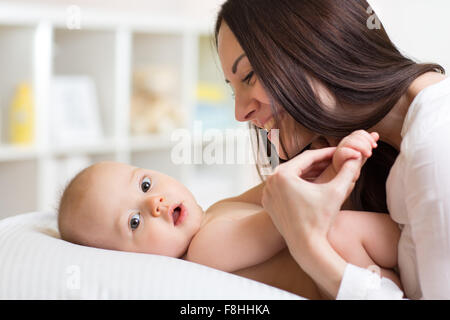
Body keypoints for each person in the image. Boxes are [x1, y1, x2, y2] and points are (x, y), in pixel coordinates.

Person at [215, 0, 450, 299]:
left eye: (249, 76)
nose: (240, 112)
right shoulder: (371, 153)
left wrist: (309, 246)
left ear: (320, 44)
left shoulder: (436, 145)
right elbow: (212, 223)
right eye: (233, 88)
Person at [57, 130, 401, 299]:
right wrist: (341, 173)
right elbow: (288, 216)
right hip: (353, 280)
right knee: (338, 228)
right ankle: (411, 243)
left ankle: (411, 242)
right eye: (134, 222)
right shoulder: (206, 250)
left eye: (145, 184)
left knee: (339, 223)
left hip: (361, 266)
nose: (155, 203)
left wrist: (328, 168)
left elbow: (284, 196)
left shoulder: (217, 210)